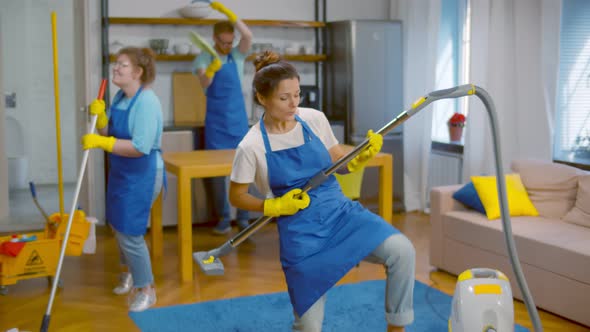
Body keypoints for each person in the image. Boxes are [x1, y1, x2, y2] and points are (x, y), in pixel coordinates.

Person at [228, 51, 415, 332]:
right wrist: (274, 206)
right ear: (262, 98)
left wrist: (361, 157)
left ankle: (396, 327)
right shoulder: (251, 145)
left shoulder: (313, 119)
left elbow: (339, 163)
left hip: (341, 214)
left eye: (297, 94)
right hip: (302, 235)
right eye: (284, 98)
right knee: (309, 327)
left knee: (402, 250)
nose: (294, 104)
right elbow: (237, 196)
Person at [81, 47, 164, 312]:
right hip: (121, 172)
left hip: (143, 173)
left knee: (130, 232)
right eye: (116, 64)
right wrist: (102, 118)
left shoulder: (147, 102)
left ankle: (147, 289)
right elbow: (110, 131)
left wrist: (101, 141)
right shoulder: (119, 97)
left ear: (138, 72)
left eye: (123, 65)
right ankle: (130, 272)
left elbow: (140, 147)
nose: (116, 68)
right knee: (118, 225)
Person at [192, 1, 253, 235]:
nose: (228, 46)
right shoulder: (203, 58)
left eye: (231, 42)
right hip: (216, 125)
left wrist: (228, 13)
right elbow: (204, 83)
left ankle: (244, 219)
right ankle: (223, 219)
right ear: (214, 39)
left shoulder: (237, 55)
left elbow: (247, 34)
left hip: (238, 122)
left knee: (243, 171)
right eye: (223, 42)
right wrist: (210, 70)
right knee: (218, 176)